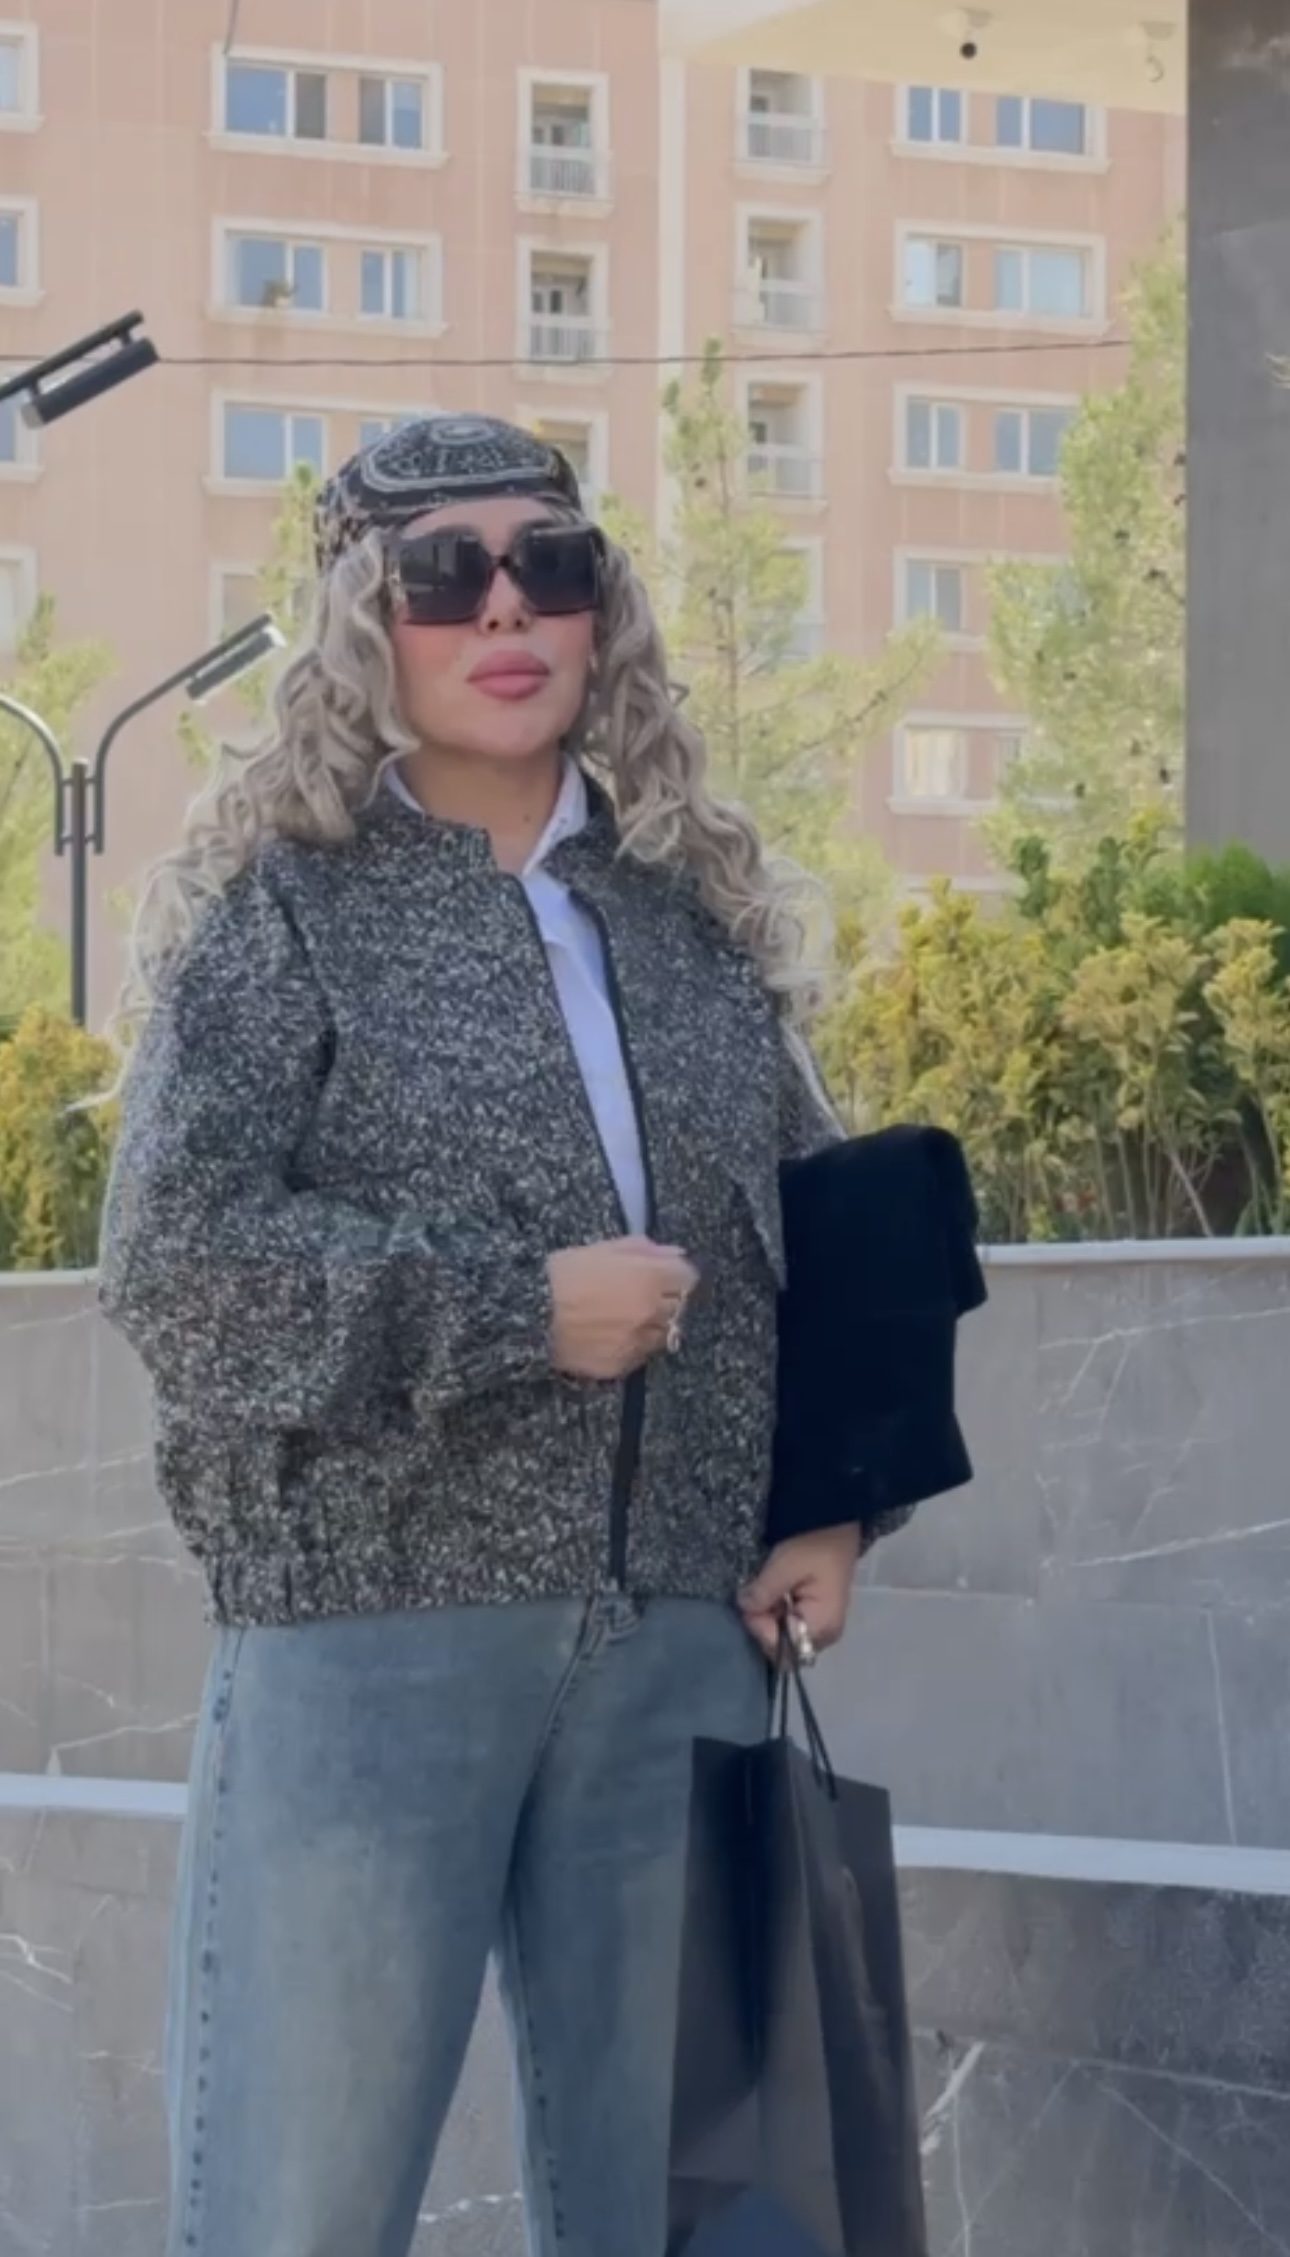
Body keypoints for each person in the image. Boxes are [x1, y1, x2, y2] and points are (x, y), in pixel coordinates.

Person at [99, 414, 866, 2257]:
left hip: (678, 1645)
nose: (505, 610)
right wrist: (519, 1308)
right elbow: (178, 1264)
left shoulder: (685, 920)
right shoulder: (287, 915)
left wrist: (833, 1500)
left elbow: (817, 1221)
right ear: (365, 621)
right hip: (374, 1638)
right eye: (444, 574)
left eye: (552, 566)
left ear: (604, 611)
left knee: (702, 2222)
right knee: (299, 2212)